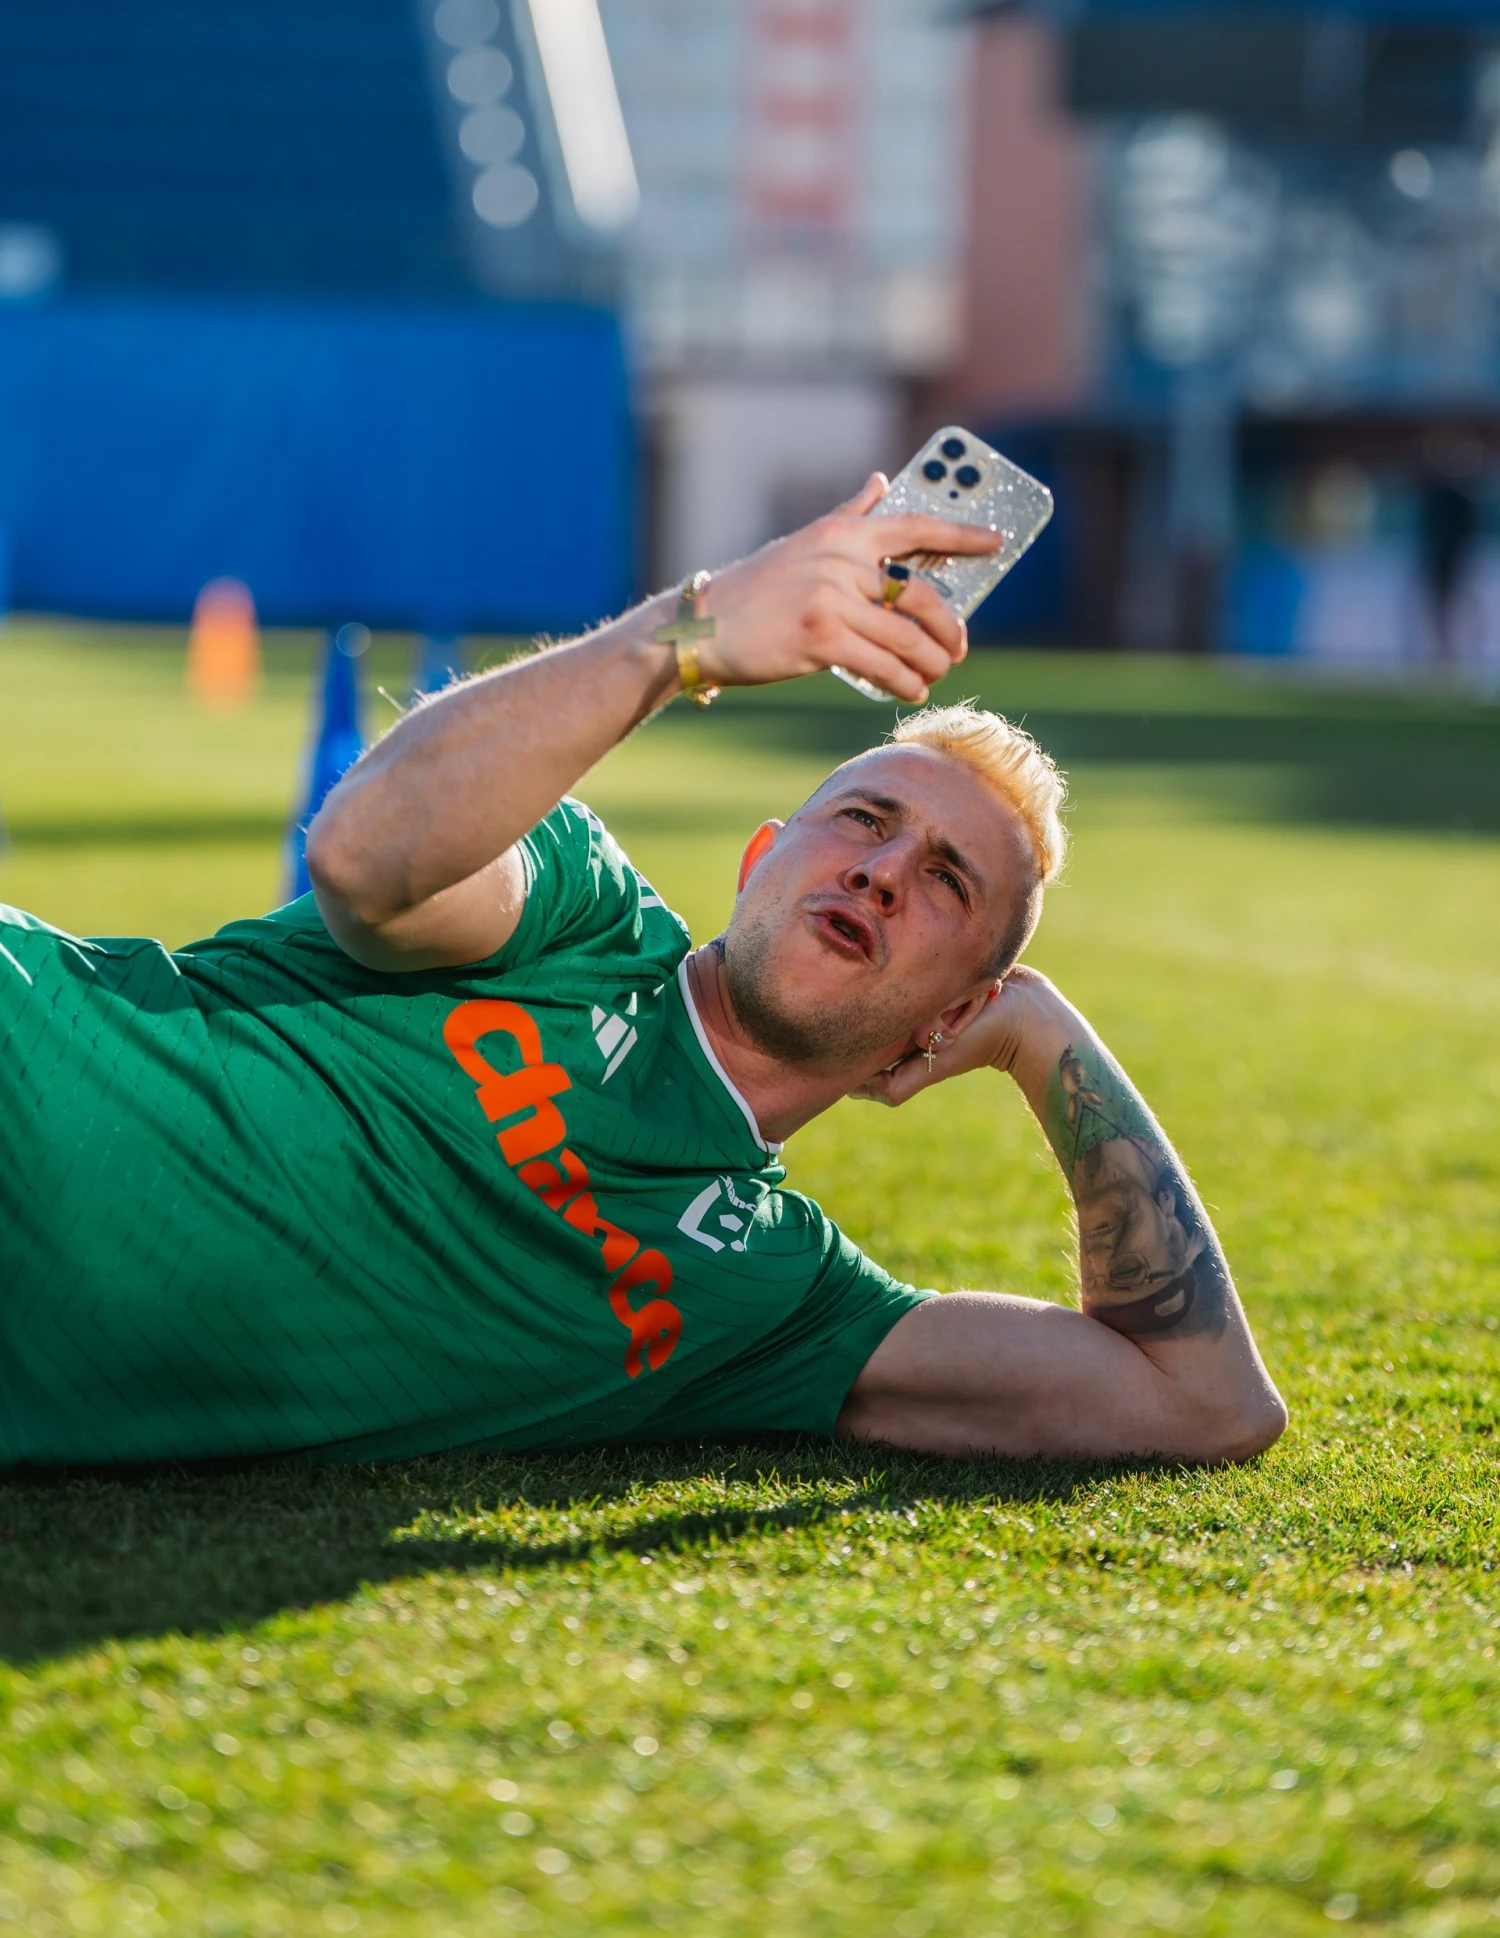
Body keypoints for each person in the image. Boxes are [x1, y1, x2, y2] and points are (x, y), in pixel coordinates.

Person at [0, 477, 1286, 1472]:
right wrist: (692, 637)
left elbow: (1205, 1403)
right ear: (761, 861)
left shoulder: (774, 1304)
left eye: (947, 880)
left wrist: (1042, 1035)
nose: (885, 870)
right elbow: (362, 854)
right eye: (864, 818)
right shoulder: (576, 911)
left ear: (945, 1024)